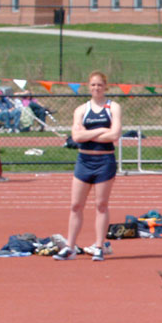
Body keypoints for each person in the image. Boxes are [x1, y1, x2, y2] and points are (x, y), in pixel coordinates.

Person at [53, 71, 122, 262]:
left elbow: (115, 134)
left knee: (101, 205)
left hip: (104, 162)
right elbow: (76, 137)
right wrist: (101, 130)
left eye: (99, 85)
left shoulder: (113, 107)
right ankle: (70, 247)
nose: (96, 88)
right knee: (76, 205)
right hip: (84, 161)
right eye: (93, 85)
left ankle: (99, 246)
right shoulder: (81, 110)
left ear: (105, 86)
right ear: (88, 87)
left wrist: (89, 133)